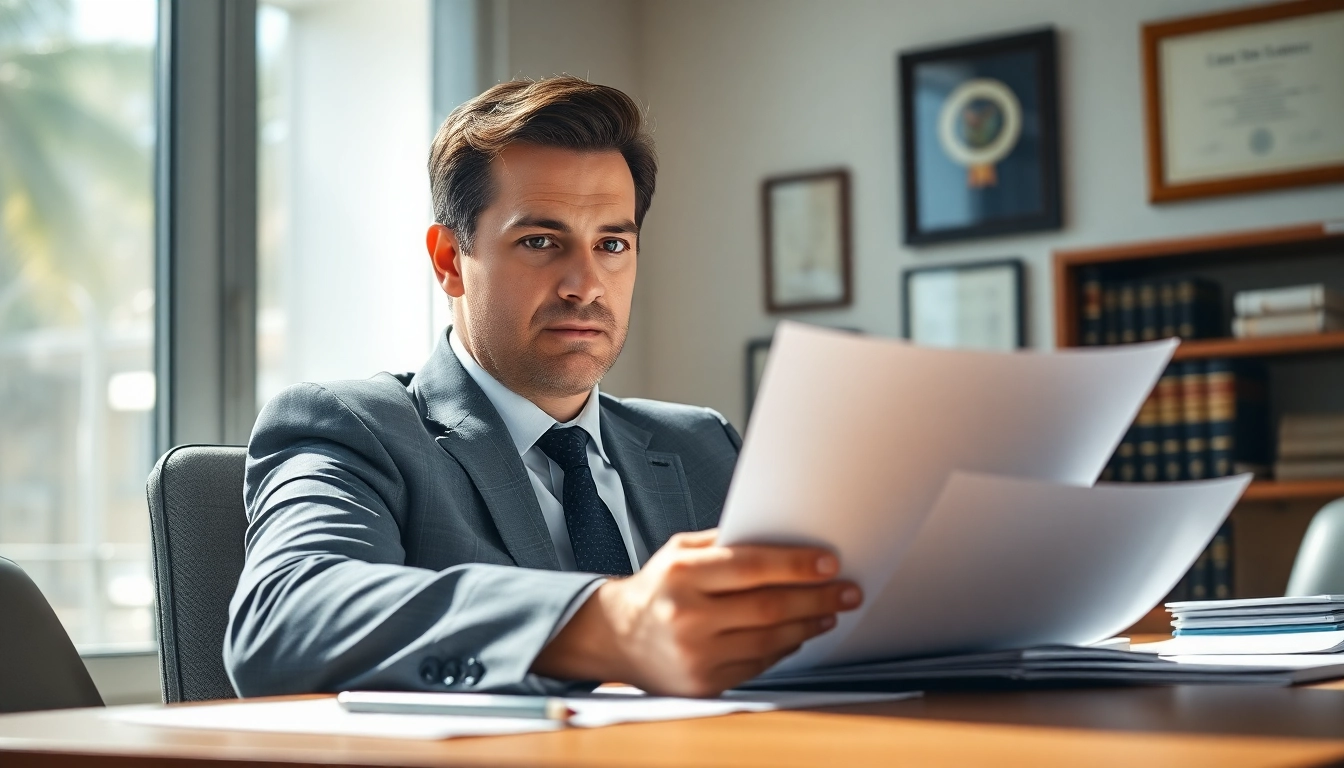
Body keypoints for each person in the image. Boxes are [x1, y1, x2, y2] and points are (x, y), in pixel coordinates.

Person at [225, 76, 862, 699]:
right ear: (450, 260)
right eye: (540, 241)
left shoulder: (703, 444)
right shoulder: (351, 427)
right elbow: (283, 618)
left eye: (612, 243)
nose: (585, 284)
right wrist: (610, 621)